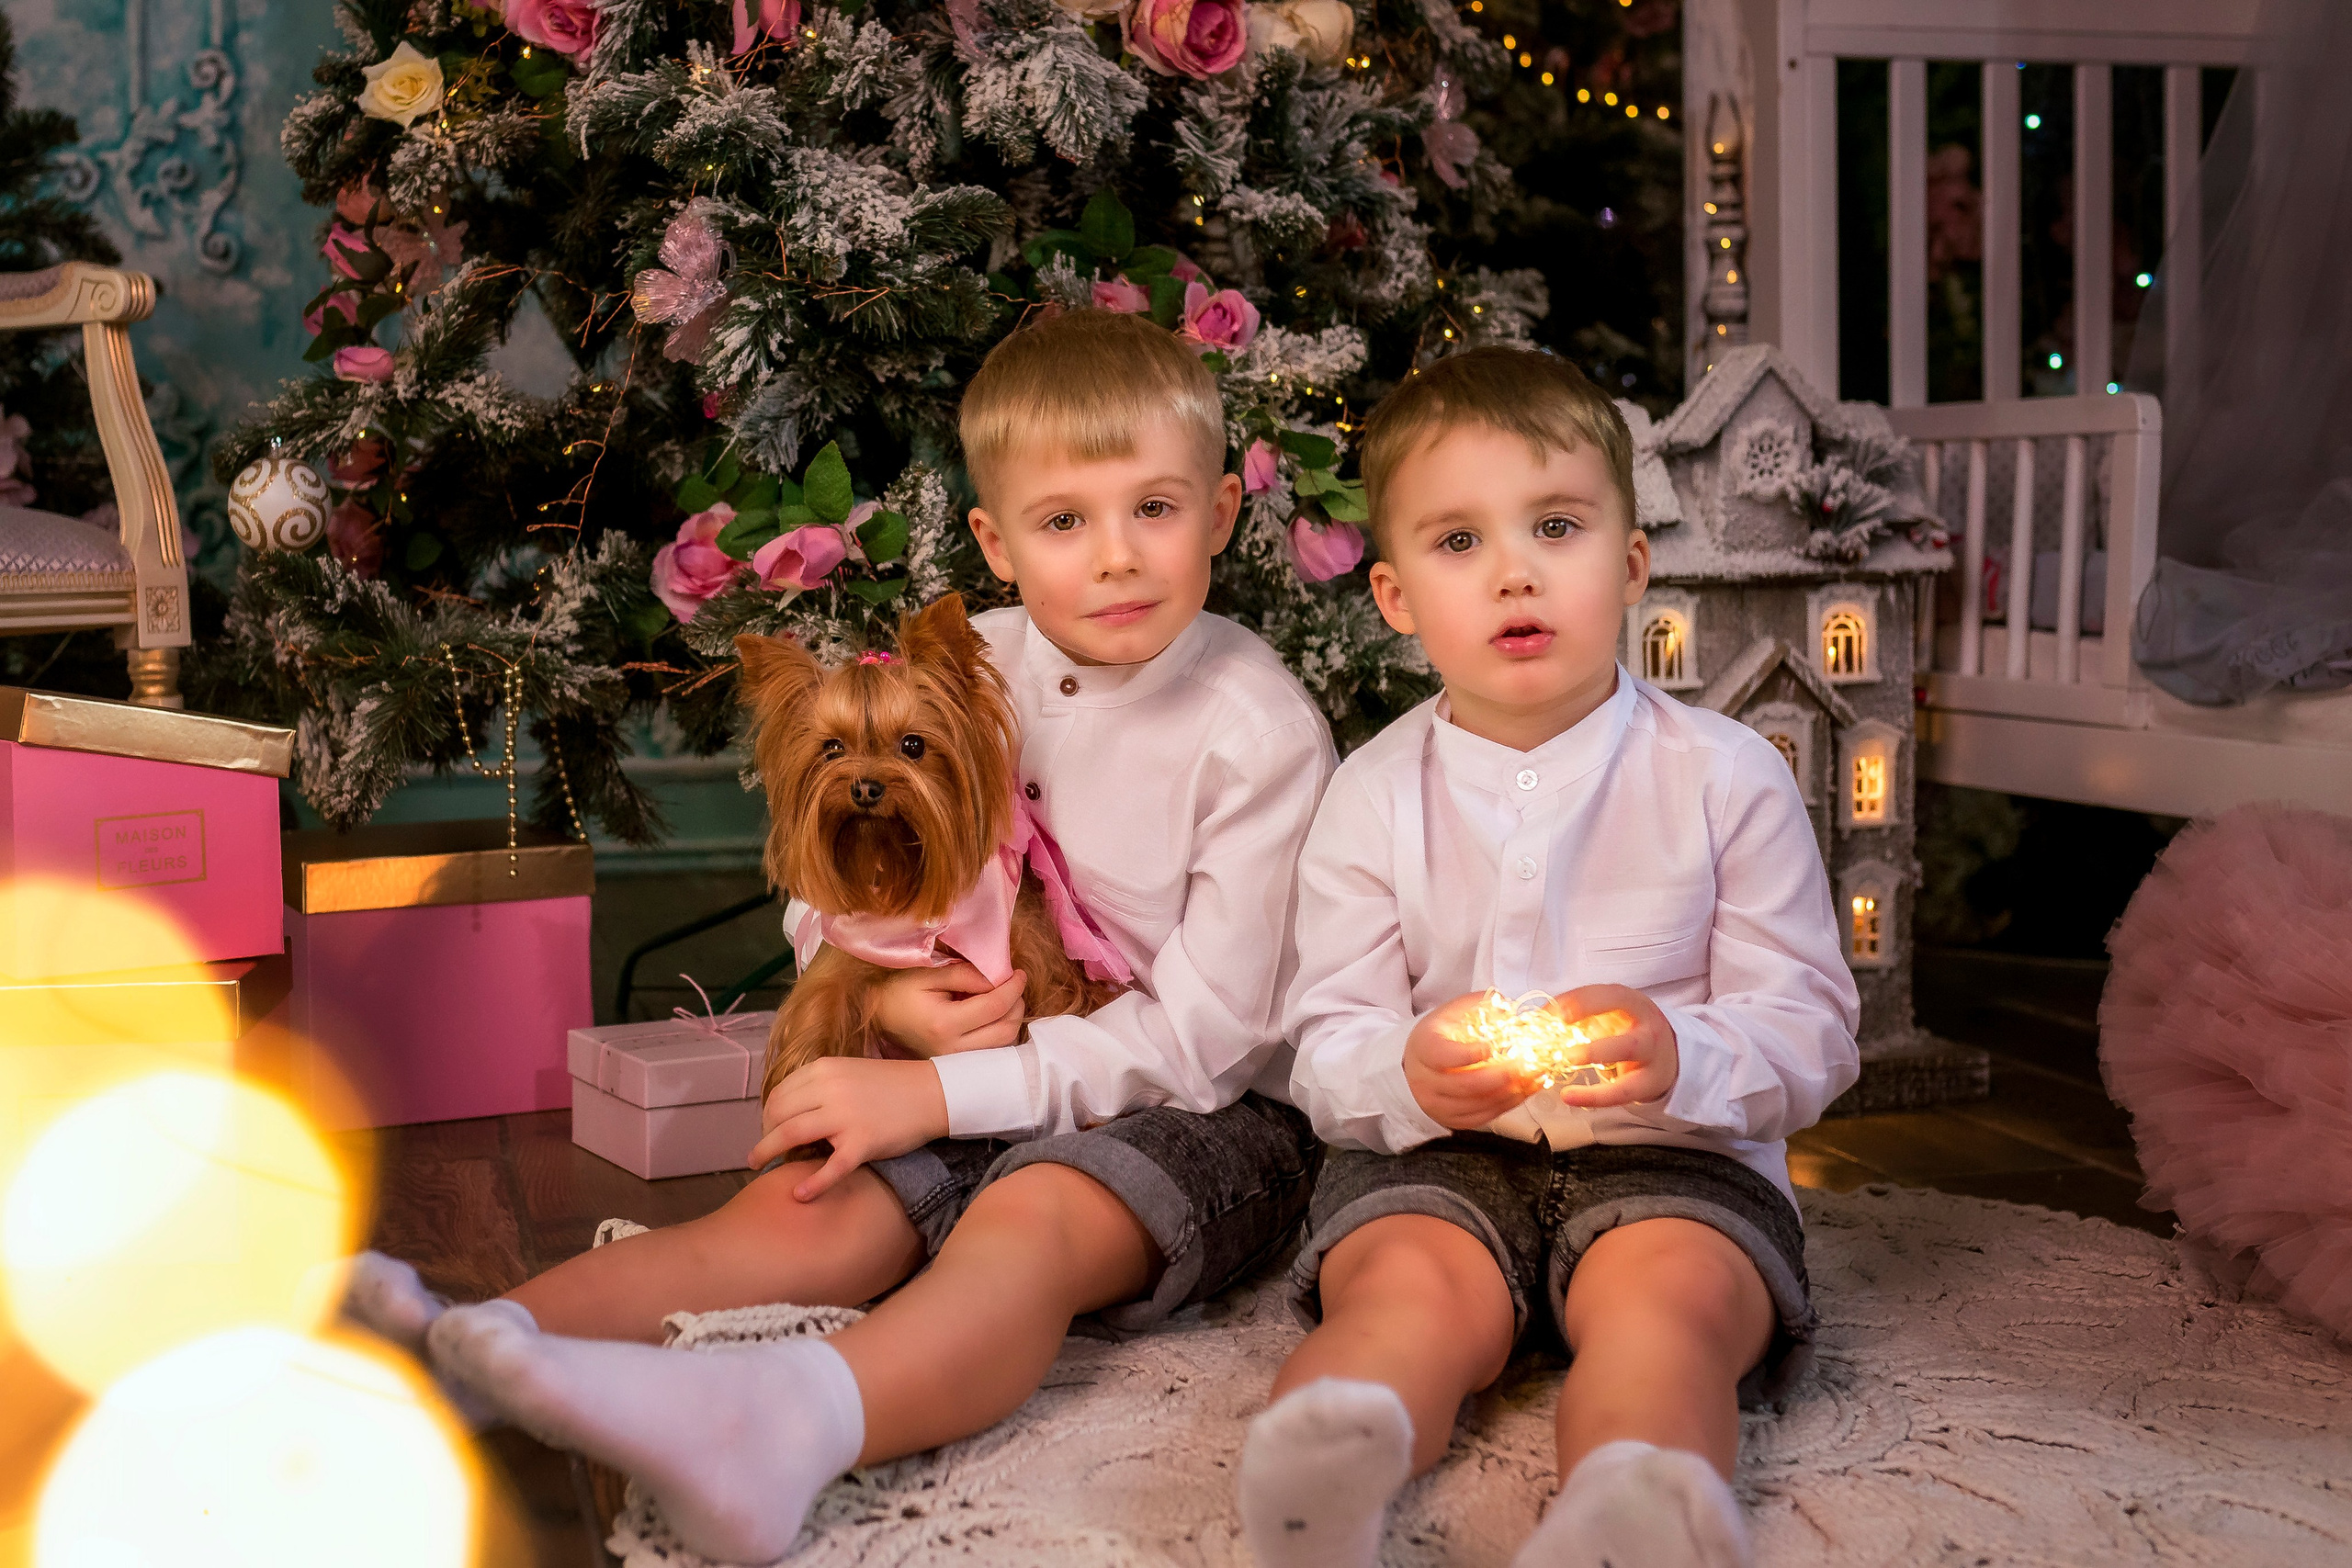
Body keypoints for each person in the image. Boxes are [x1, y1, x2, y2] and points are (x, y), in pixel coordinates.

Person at [345, 308, 1336, 1564]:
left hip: (1207, 1115)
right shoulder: (968, 663)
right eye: (1065, 522)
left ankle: (790, 1426)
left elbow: (1206, 1043)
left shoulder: (1257, 732)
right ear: (996, 540)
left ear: (1221, 515)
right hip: (969, 1053)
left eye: (1156, 509)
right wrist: (883, 994)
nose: (1118, 559)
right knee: (805, 1212)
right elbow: (838, 872)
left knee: (1024, 1227)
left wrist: (937, 1089)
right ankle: (467, 1351)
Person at [1239, 346, 1859, 1568]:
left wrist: (1686, 1055)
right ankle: (1327, 1459)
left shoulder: (1727, 777)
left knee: (1665, 1308)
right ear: (1397, 598)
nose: (1514, 573)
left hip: (1679, 1161)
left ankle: (1636, 1502)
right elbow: (1325, 1039)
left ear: (1632, 566)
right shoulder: (1371, 796)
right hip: (1438, 1159)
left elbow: (1813, 1031)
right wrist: (1408, 1073)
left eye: (1557, 526)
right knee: (1405, 1292)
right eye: (1458, 543)